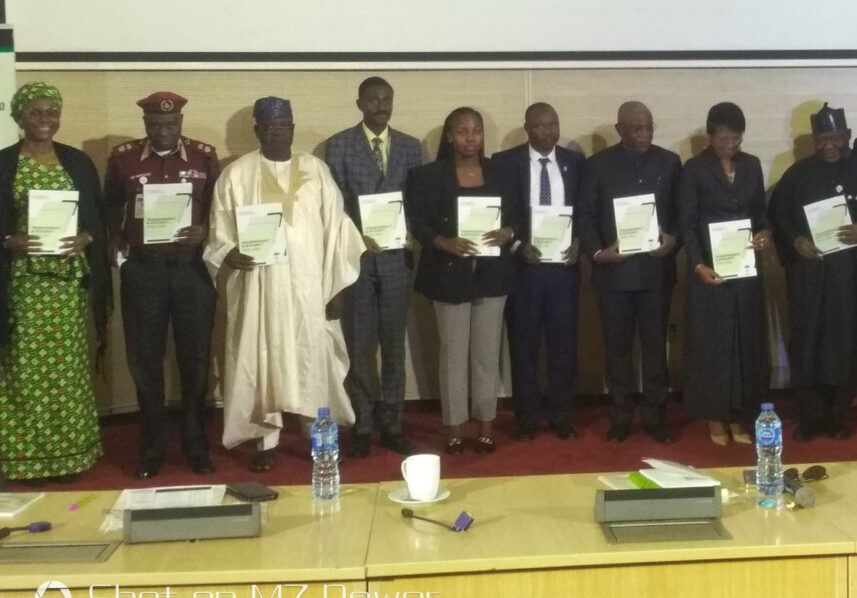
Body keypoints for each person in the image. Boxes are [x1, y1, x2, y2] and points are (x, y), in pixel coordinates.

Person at [203, 97, 365, 472]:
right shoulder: (236, 174)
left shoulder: (316, 170)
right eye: (270, 126)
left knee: (312, 359)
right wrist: (228, 252)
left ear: (293, 128)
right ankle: (266, 440)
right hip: (261, 290)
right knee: (262, 360)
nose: (278, 132)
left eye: (284, 125)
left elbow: (338, 229)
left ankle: (317, 436)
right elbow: (218, 230)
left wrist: (337, 289)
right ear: (257, 130)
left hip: (309, 289)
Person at [104, 92, 218, 479]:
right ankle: (152, 445)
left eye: (170, 124)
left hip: (191, 272)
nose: (163, 131)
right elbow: (111, 206)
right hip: (144, 271)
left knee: (195, 358)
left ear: (181, 122)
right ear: (145, 125)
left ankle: (195, 442)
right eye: (155, 125)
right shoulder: (123, 158)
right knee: (144, 359)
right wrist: (116, 241)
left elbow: (218, 208)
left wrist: (206, 230)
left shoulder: (204, 156)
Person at [0, 82, 109, 483]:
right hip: (24, 286)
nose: (45, 119)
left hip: (66, 285)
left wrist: (86, 238)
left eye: (52, 112)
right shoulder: (4, 164)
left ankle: (69, 456)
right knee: (23, 371)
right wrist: (8, 240)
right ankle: (23, 457)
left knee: (67, 371)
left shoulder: (77, 162)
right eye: (36, 112)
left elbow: (97, 218)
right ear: (19, 116)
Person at [405, 107, 521, 455]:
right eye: (462, 131)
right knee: (453, 355)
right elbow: (417, 222)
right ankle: (454, 428)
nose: (470, 138)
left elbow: (519, 215)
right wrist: (443, 242)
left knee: (487, 353)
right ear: (450, 136)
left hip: (492, 274)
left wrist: (509, 231)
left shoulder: (502, 172)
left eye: (476, 131)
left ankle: (486, 425)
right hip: (447, 272)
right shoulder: (427, 176)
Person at [325, 77, 423, 458]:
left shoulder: (411, 147)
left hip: (397, 260)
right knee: (359, 345)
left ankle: (393, 424)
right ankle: (362, 423)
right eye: (373, 100)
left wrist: (410, 232)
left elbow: (417, 201)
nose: (381, 106)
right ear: (360, 104)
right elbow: (334, 207)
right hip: (358, 261)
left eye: (387, 99)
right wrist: (355, 236)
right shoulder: (340, 145)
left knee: (395, 346)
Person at [577, 101, 682, 443]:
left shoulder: (669, 162)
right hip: (613, 276)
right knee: (617, 351)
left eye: (649, 127)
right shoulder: (597, 165)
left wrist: (674, 240)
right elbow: (585, 217)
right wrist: (599, 253)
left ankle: (655, 417)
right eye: (636, 128)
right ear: (619, 129)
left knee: (655, 350)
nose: (644, 134)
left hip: (656, 273)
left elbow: (682, 214)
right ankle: (621, 416)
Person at [491, 102, 584, 440]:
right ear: (527, 128)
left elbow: (586, 210)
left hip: (564, 270)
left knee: (563, 347)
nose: (547, 132)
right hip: (523, 270)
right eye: (539, 126)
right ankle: (526, 420)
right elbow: (500, 213)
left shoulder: (576, 162)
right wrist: (517, 245)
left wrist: (580, 241)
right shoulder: (505, 163)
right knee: (524, 347)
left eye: (552, 124)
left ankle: (562, 416)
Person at [679, 102, 770, 445]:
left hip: (746, 269)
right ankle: (715, 419)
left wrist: (765, 234)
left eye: (736, 139)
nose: (730, 145)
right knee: (713, 347)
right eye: (723, 139)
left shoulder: (751, 165)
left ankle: (740, 416)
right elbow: (687, 224)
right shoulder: (693, 169)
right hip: (710, 271)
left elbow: (760, 214)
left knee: (746, 344)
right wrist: (698, 265)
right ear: (710, 135)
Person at [768, 103, 857, 440]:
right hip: (809, 276)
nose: (828, 146)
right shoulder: (798, 174)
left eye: (834, 138)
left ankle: (837, 416)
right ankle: (810, 417)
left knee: (845, 342)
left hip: (849, 278)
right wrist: (795, 241)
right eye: (821, 140)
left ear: (847, 135)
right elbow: (777, 214)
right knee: (807, 343)